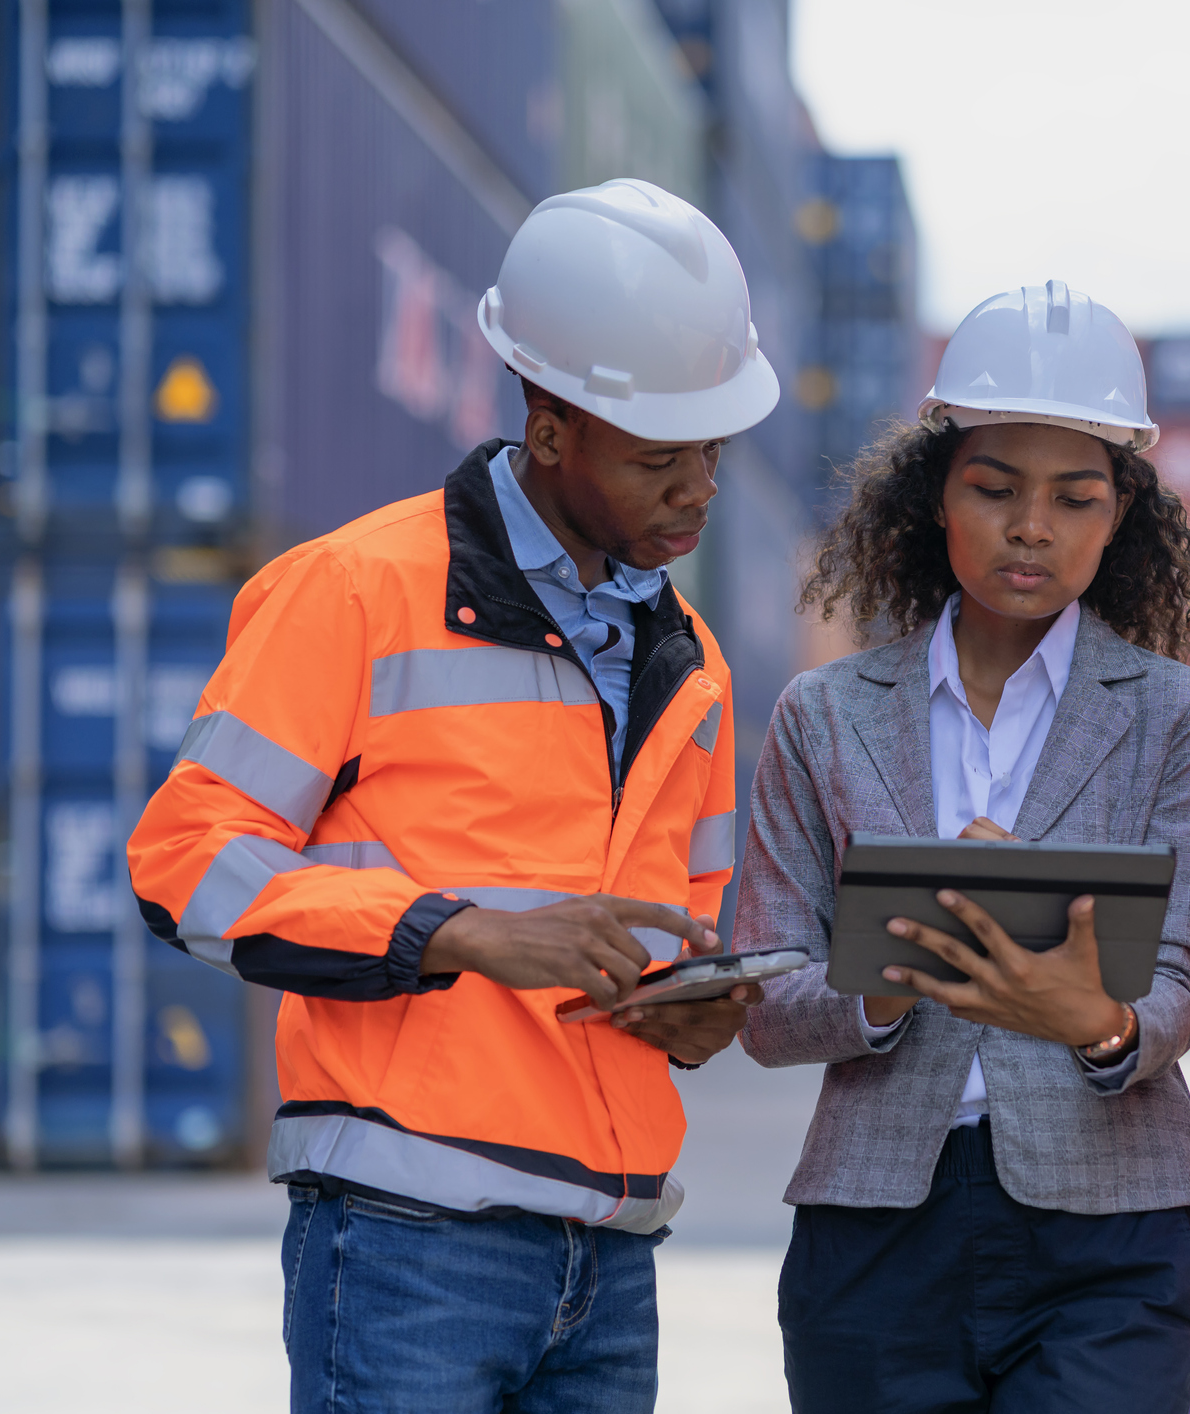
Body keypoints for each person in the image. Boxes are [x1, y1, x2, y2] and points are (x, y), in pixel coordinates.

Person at [127, 179, 778, 1413]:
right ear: (548, 425)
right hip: (407, 1237)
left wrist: (694, 1013)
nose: (699, 487)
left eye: (713, 449)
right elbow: (184, 861)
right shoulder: (353, 592)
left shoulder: (690, 658)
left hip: (612, 1247)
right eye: (659, 457)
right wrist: (459, 929)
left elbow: (678, 923)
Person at [724, 282, 1190, 1413]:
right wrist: (885, 983)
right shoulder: (824, 714)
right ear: (934, 497)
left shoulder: (1172, 715)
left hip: (1111, 1230)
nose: (1031, 526)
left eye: (1074, 497)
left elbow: (1178, 982)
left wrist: (1093, 1021)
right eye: (994, 488)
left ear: (1120, 519)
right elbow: (763, 997)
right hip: (876, 1229)